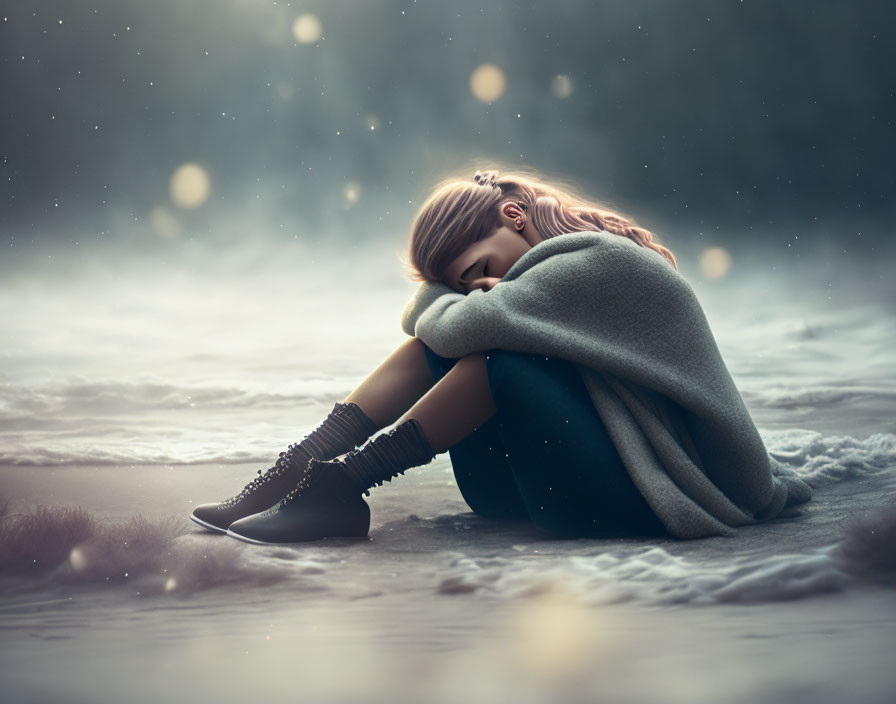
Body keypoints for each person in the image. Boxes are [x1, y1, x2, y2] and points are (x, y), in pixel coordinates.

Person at [191, 167, 677, 545]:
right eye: (460, 285)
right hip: (519, 495)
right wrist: (472, 292)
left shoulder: (604, 261)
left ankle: (341, 487)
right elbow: (430, 326)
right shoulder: (532, 285)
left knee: (497, 359)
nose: (484, 286)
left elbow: (456, 323)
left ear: (513, 216)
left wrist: (475, 300)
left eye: (480, 267)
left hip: (637, 499)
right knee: (441, 346)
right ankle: (299, 468)